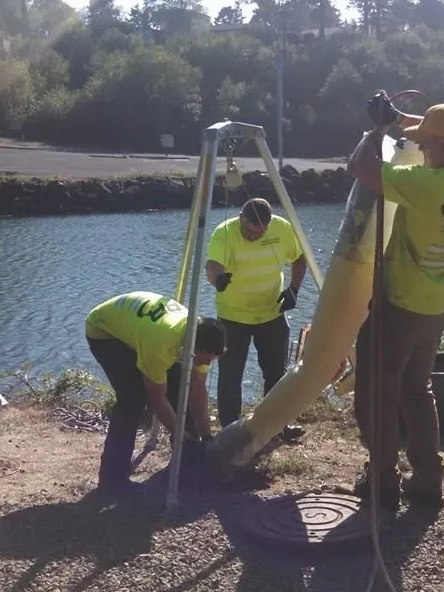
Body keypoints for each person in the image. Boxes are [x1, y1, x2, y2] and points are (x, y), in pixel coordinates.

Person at [347, 93, 444, 510]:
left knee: (377, 392)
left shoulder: (428, 185)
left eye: (426, 143)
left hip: (401, 304)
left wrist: (374, 129)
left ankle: (383, 479)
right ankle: (428, 479)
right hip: (436, 304)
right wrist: (398, 118)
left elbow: (360, 168)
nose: (421, 148)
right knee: (416, 389)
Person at [85, 291, 226, 499]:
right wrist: (183, 438)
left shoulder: (201, 339)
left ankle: (186, 463)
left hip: (142, 328)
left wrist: (206, 437)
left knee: (181, 388)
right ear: (194, 348)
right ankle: (112, 477)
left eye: (211, 360)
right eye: (205, 359)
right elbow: (157, 400)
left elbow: (196, 390)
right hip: (105, 332)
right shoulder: (160, 344)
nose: (207, 364)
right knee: (133, 398)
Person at [206, 197, 307, 441]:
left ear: (269, 224)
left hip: (271, 313)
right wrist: (218, 279)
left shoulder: (282, 228)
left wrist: (294, 289)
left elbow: (299, 258)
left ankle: (276, 426)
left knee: (277, 373)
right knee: (231, 376)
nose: (254, 236)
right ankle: (230, 432)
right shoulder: (224, 233)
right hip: (233, 317)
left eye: (259, 233)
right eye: (250, 231)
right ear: (241, 217)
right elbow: (212, 265)